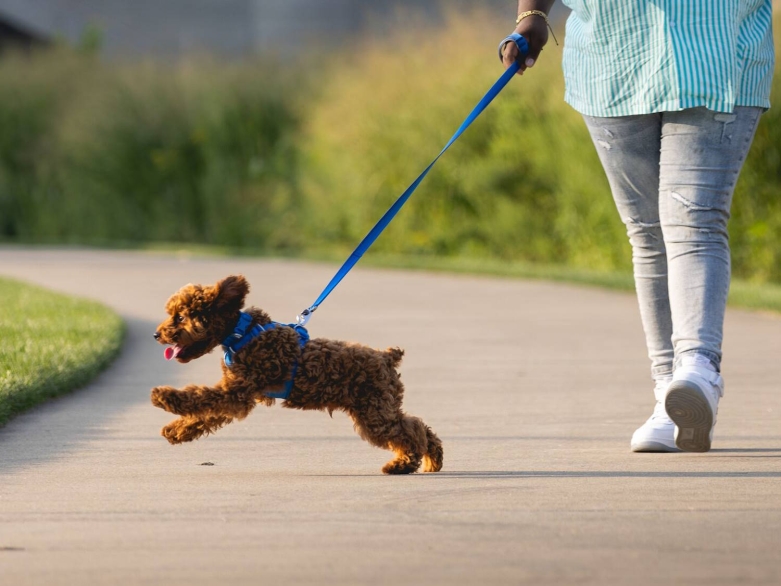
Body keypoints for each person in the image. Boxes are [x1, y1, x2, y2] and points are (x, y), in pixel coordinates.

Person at [501, 1, 775, 452]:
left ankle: (698, 370)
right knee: (648, 232)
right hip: (614, 55)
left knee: (694, 219)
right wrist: (532, 16)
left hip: (718, 49)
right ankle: (669, 392)